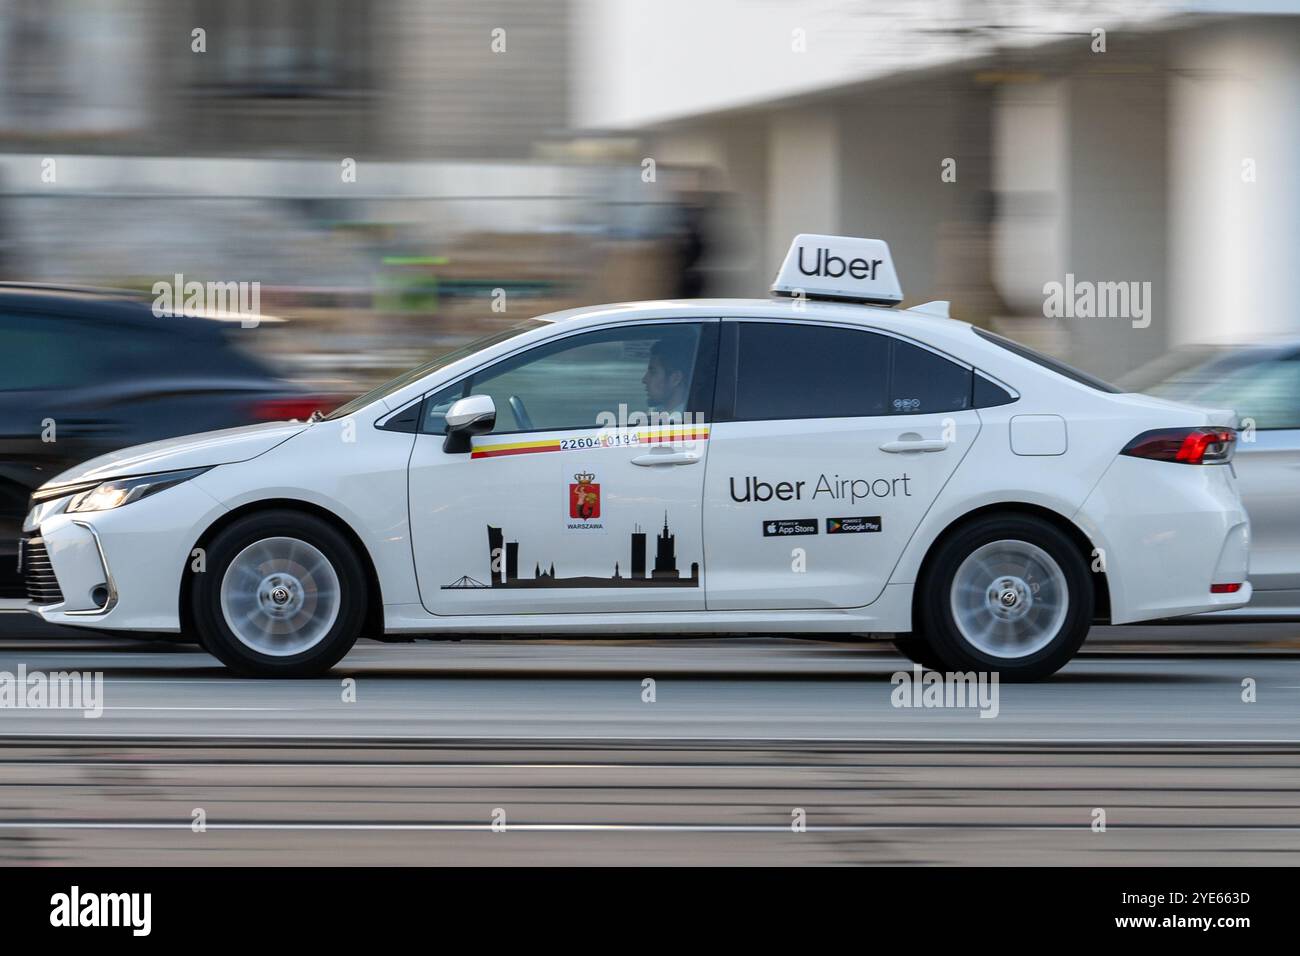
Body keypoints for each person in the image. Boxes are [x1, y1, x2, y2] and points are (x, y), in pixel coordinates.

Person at [642, 337, 693, 417]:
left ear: (675, 379)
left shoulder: (680, 423)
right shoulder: (658, 413)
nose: (644, 380)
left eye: (653, 372)